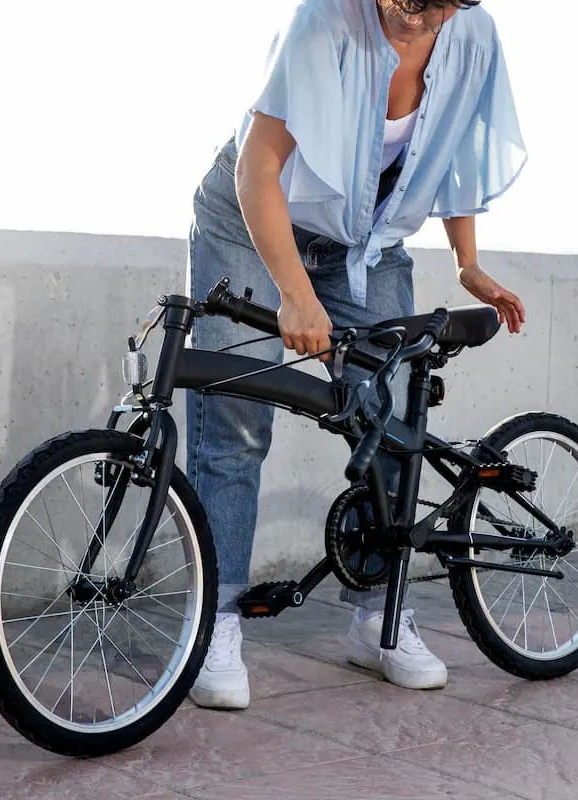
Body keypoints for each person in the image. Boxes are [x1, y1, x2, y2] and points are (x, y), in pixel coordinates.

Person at [184, 0, 527, 709]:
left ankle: (376, 616)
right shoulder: (325, 21)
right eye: (406, 1)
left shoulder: (474, 35)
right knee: (236, 418)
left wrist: (468, 263)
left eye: (440, 7)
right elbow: (258, 169)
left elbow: (458, 145)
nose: (417, 19)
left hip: (365, 248)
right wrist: (294, 294)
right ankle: (212, 624)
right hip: (252, 223)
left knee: (395, 420)